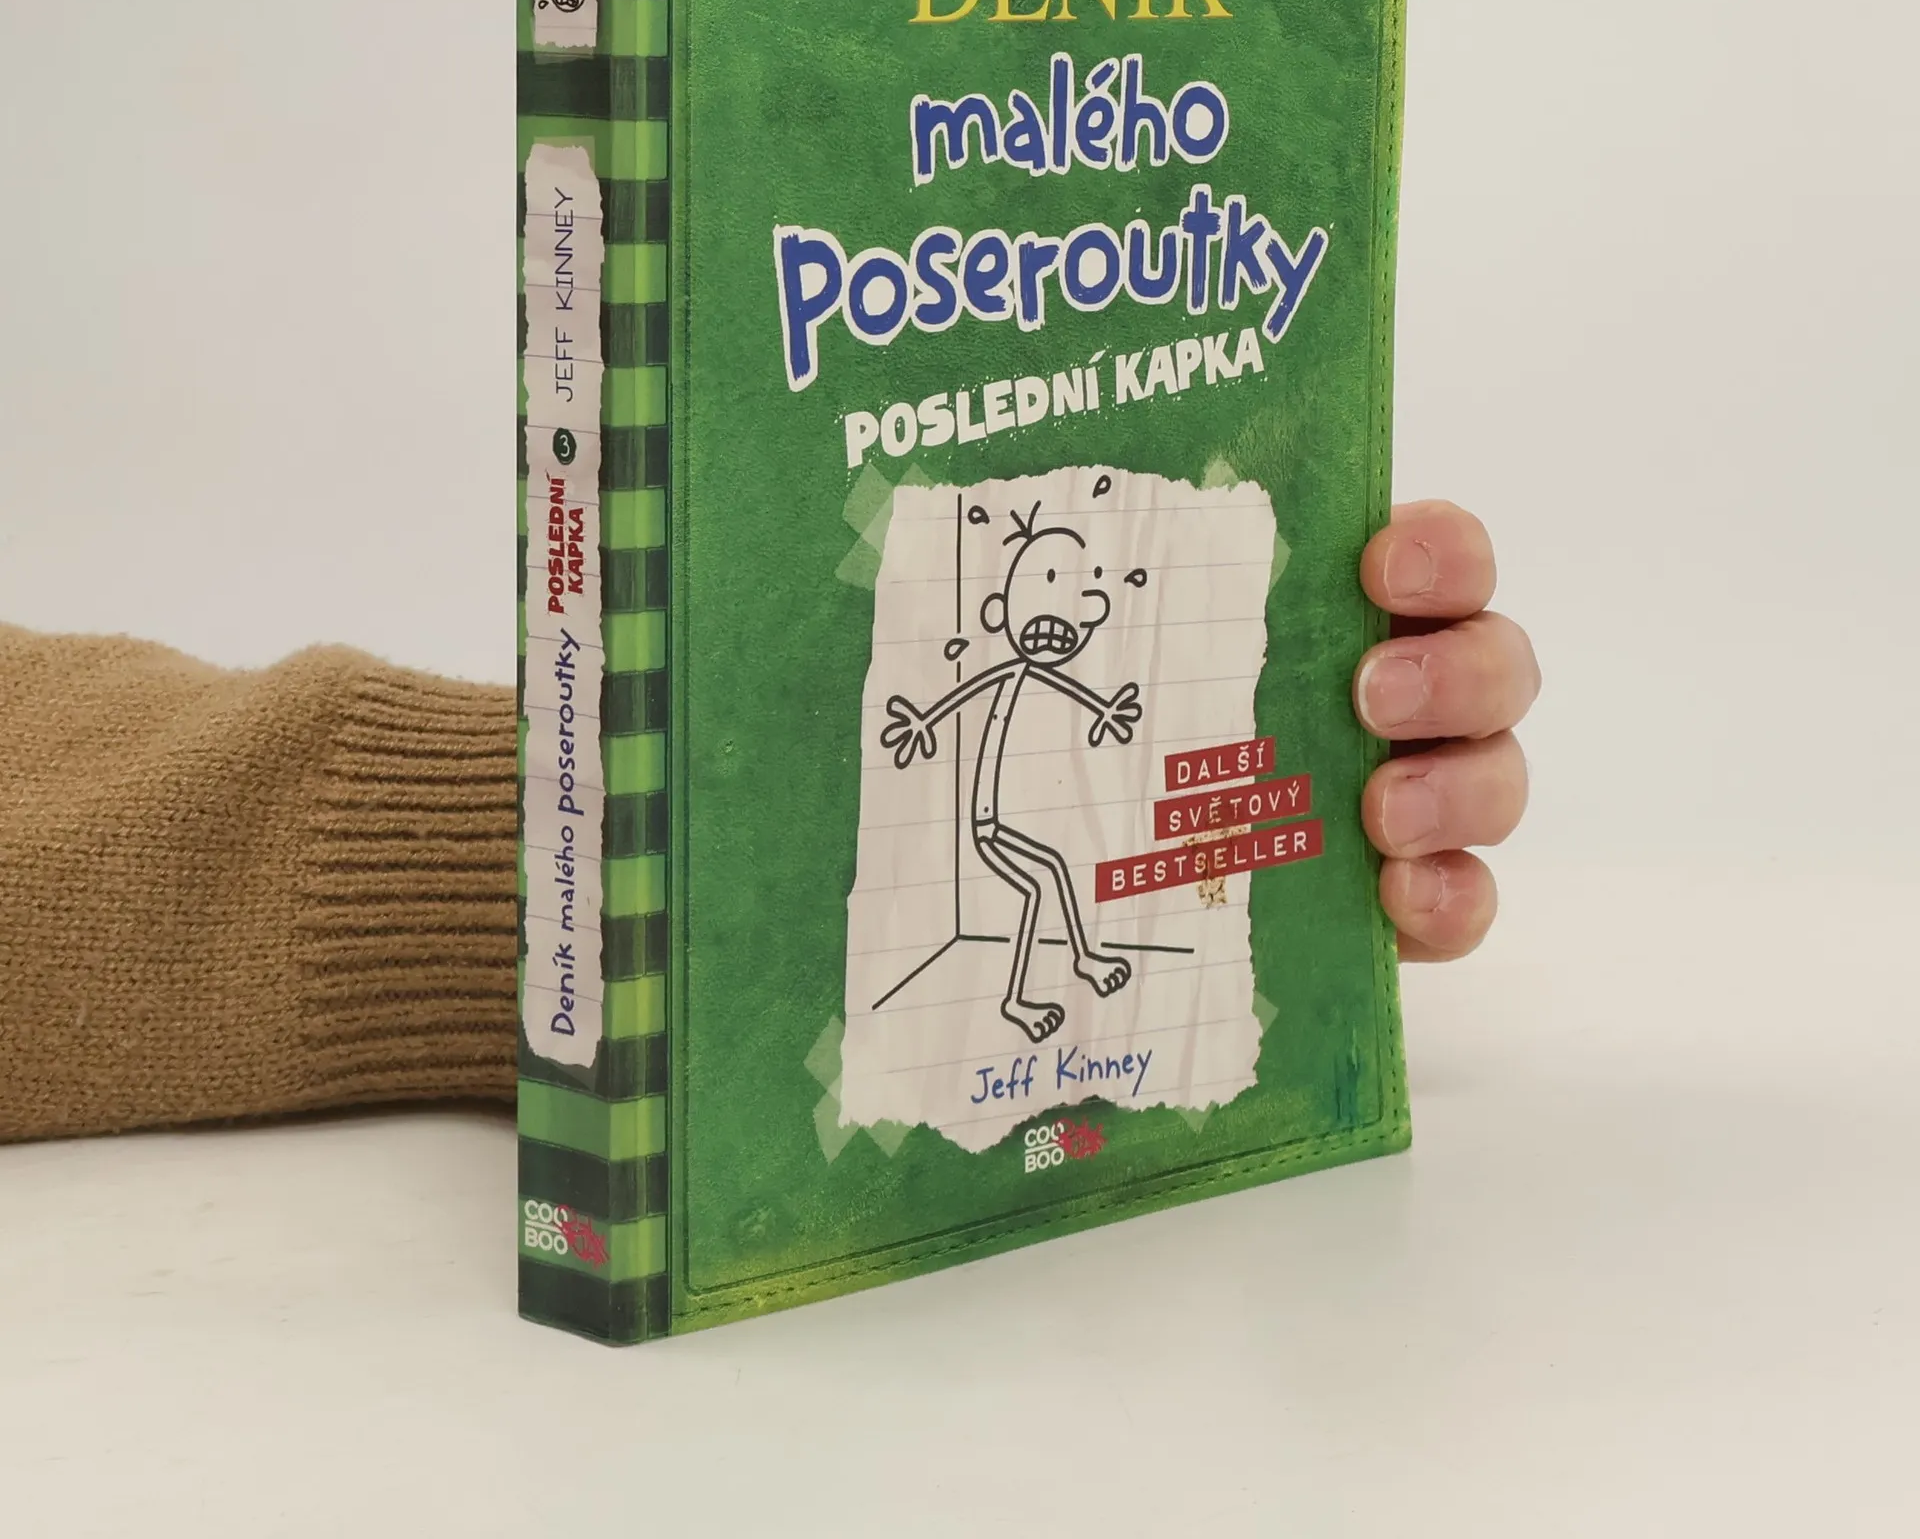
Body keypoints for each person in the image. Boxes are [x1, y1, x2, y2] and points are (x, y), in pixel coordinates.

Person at [0, 500, 1536, 1145]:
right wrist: (602, 861)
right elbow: (979, 695)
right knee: (1042, 882)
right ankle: (1045, 974)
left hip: (945, 829)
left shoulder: (1039, 666)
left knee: (1054, 885)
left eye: (1081, 603)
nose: (1063, 622)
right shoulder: (1009, 662)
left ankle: (1048, 977)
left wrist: (642, 829)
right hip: (977, 823)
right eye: (1053, 601)